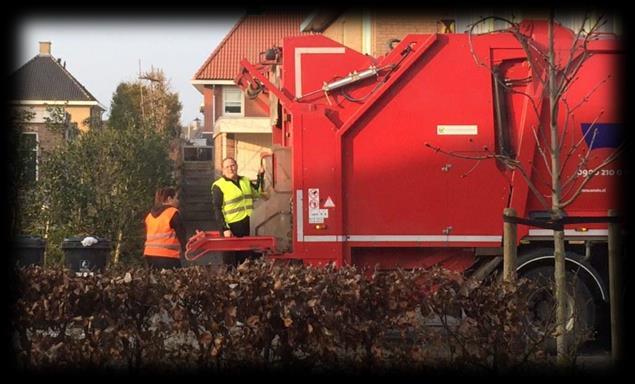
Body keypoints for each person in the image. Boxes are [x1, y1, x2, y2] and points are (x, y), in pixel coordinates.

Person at [211, 157, 264, 264]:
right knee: (231, 261)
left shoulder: (245, 181)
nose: (230, 169)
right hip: (232, 227)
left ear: (237, 166)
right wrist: (224, 228)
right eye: (227, 167)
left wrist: (260, 176)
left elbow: (257, 192)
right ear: (222, 170)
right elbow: (217, 208)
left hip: (248, 224)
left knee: (246, 258)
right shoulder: (219, 185)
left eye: (232, 165)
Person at [143, 187, 186, 270]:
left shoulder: (149, 216)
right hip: (168, 257)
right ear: (169, 199)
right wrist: (186, 249)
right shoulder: (173, 213)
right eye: (176, 198)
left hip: (149, 256)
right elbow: (182, 235)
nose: (178, 201)